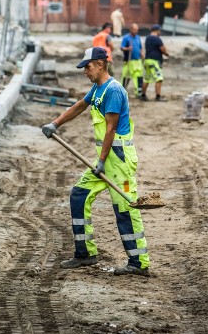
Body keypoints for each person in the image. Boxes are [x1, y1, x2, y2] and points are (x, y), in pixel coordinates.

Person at [41, 46, 150, 277]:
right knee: (79, 195)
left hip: (117, 160)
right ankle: (85, 253)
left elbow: (111, 129)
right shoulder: (98, 89)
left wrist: (101, 161)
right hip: (105, 157)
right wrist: (56, 123)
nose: (85, 71)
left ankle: (139, 262)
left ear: (100, 64)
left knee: (125, 209)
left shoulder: (113, 91)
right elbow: (81, 105)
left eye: (88, 66)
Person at [139, 24, 169, 102]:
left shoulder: (148, 38)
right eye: (159, 30)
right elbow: (162, 49)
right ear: (157, 30)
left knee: (147, 78)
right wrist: (166, 53)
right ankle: (158, 96)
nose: (160, 32)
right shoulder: (157, 39)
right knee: (159, 78)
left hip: (147, 60)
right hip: (154, 61)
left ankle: (143, 95)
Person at [120, 23, 144, 97]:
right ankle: (122, 91)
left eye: (137, 30)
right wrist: (127, 48)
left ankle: (138, 92)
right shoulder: (126, 38)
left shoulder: (138, 37)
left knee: (138, 76)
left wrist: (142, 55)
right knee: (126, 76)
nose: (136, 31)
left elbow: (140, 48)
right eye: (135, 30)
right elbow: (122, 47)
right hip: (128, 60)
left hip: (137, 60)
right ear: (131, 29)